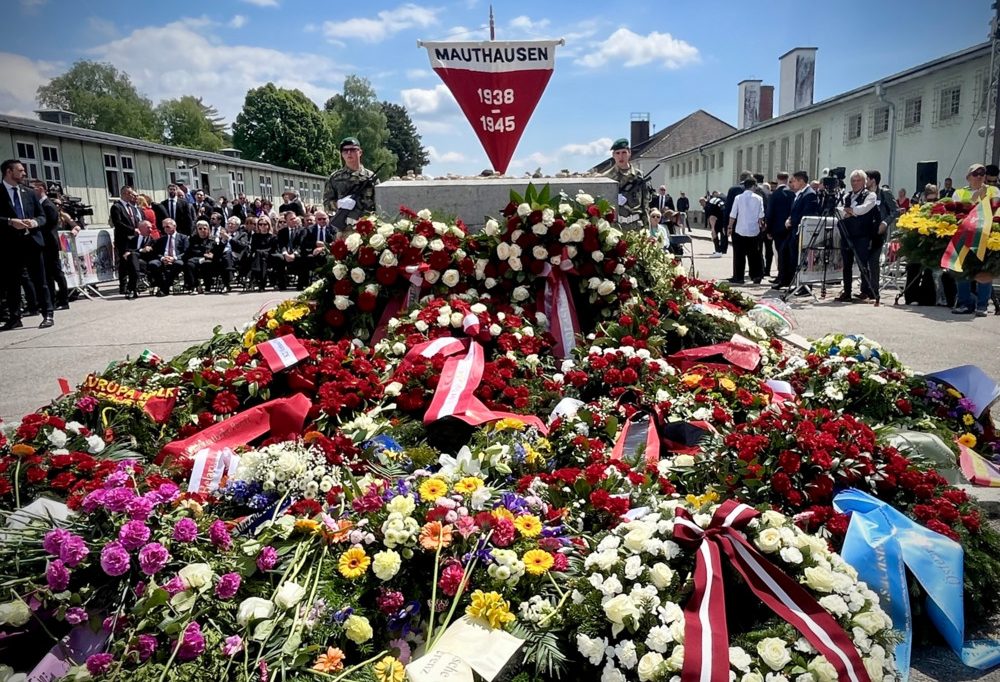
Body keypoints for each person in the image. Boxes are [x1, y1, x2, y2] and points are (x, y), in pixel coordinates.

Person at [1, 159, 52, 329]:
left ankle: (47, 314)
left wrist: (35, 222)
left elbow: (42, 216)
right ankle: (15, 317)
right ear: (9, 171)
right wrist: (9, 221)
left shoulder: (29, 192)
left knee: (40, 280)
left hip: (32, 241)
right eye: (20, 170)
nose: (24, 174)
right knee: (12, 283)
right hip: (9, 245)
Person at [952, 164, 1000, 316]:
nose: (979, 176)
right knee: (963, 270)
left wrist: (984, 196)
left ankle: (982, 305)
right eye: (975, 173)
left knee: (984, 270)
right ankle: (965, 303)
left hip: (986, 235)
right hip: (966, 235)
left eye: (982, 173)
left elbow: (995, 210)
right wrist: (974, 199)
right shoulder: (959, 193)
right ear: (968, 177)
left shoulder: (993, 190)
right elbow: (958, 213)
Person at [835, 170, 879, 303]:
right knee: (846, 264)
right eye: (853, 181)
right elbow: (839, 209)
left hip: (862, 234)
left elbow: (864, 209)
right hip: (847, 233)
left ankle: (866, 290)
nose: (855, 183)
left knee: (862, 264)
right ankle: (847, 292)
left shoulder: (870, 195)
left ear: (864, 182)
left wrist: (852, 211)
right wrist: (852, 212)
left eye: (858, 180)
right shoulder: (847, 196)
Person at [30, 179, 69, 311]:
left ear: (41, 189)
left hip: (50, 244)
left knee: (56, 272)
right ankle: (51, 300)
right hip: (45, 244)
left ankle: (64, 300)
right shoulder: (41, 204)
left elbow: (50, 224)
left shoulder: (48, 205)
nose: (31, 191)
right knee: (48, 275)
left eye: (33, 188)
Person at [323, 137, 378, 229]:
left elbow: (378, 203)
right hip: (344, 227)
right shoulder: (334, 178)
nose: (349, 153)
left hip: (368, 227)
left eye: (352, 149)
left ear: (360, 152)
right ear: (342, 154)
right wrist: (338, 204)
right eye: (345, 150)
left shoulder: (370, 177)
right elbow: (326, 204)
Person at [863, 170, 898, 301]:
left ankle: (874, 290)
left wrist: (885, 222)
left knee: (873, 260)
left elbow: (895, 210)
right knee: (864, 260)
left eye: (866, 179)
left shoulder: (884, 193)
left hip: (878, 232)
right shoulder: (864, 194)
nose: (864, 181)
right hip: (866, 231)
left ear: (873, 180)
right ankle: (865, 290)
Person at [603, 138, 649, 231]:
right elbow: (602, 205)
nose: (621, 156)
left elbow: (645, 204)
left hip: (636, 226)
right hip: (615, 229)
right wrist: (614, 201)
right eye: (617, 153)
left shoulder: (639, 175)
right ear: (613, 155)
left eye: (624, 152)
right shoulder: (606, 178)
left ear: (629, 153)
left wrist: (647, 229)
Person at [784, 170, 820, 288]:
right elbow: (794, 212)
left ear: (801, 181)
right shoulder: (799, 194)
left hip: (803, 232)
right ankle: (796, 283)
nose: (792, 184)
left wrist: (792, 221)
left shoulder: (809, 194)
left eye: (794, 181)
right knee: (792, 257)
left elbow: (806, 214)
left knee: (802, 259)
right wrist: (789, 219)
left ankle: (804, 286)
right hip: (795, 230)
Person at [727, 176, 765, 285]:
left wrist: (730, 227)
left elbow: (733, 214)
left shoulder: (738, 198)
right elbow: (761, 215)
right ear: (753, 186)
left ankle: (739, 277)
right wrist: (761, 227)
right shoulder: (759, 198)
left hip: (740, 229)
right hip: (754, 230)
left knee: (739, 255)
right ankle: (756, 275)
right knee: (754, 255)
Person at [765, 172, 796, 289]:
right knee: (790, 254)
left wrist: (768, 230)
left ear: (777, 179)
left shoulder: (775, 194)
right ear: (788, 179)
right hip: (790, 227)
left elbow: (770, 213)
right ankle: (788, 277)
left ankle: (782, 276)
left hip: (777, 229)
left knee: (780, 253)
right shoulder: (792, 193)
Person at [110, 186, 142, 296]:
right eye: (130, 194)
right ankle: (122, 285)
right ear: (124, 193)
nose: (132, 196)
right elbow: (118, 223)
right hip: (123, 238)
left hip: (134, 238)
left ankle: (134, 284)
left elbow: (135, 220)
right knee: (123, 263)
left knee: (133, 261)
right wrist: (132, 230)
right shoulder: (116, 207)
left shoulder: (132, 207)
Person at [147, 218, 188, 296]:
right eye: (164, 227)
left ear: (174, 226)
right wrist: (162, 258)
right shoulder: (162, 239)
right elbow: (156, 252)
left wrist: (174, 258)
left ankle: (164, 288)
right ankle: (162, 285)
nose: (165, 229)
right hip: (163, 259)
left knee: (178, 264)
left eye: (167, 227)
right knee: (153, 264)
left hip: (176, 259)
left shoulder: (183, 237)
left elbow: (186, 252)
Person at [121, 220, 156, 300]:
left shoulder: (152, 241)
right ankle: (136, 277)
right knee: (132, 257)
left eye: (151, 228)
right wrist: (140, 250)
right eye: (148, 227)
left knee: (132, 256)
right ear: (141, 228)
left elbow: (151, 254)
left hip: (144, 264)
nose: (150, 230)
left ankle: (131, 288)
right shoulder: (132, 240)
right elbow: (126, 251)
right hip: (132, 264)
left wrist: (134, 251)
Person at [723, 171, 753, 254]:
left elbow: (728, 208)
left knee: (738, 251)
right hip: (752, 224)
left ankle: (738, 266)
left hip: (736, 223)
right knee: (753, 251)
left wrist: (726, 225)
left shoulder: (733, 189)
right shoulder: (754, 189)